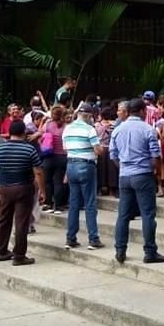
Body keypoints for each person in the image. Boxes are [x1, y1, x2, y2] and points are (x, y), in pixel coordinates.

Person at [110, 98, 164, 264]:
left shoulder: (118, 130)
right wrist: (155, 171)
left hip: (125, 175)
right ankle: (150, 251)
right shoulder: (148, 129)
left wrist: (122, 167)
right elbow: (155, 155)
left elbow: (113, 155)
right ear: (142, 111)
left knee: (123, 215)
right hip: (143, 174)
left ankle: (120, 250)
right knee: (148, 214)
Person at [0, 120, 46, 265]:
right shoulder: (29, 149)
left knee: (4, 220)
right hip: (24, 188)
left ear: (10, 133)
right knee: (21, 222)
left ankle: (1, 252)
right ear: (24, 133)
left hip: (5, 188)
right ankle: (19, 255)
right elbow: (38, 172)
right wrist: (42, 191)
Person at [63, 102, 105, 250]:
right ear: (88, 116)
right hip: (86, 165)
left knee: (73, 204)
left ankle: (71, 237)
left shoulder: (67, 128)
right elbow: (98, 150)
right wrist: (101, 150)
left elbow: (65, 148)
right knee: (90, 204)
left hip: (71, 165)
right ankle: (93, 238)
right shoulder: (90, 129)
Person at [40, 106, 68, 213]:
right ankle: (59, 205)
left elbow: (41, 136)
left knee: (47, 181)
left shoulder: (47, 125)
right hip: (62, 157)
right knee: (59, 182)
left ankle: (48, 203)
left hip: (48, 156)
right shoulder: (66, 127)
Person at [96, 106, 119, 196]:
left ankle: (101, 188)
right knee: (111, 170)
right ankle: (112, 189)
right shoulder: (114, 125)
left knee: (101, 169)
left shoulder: (97, 125)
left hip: (100, 148)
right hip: (111, 148)